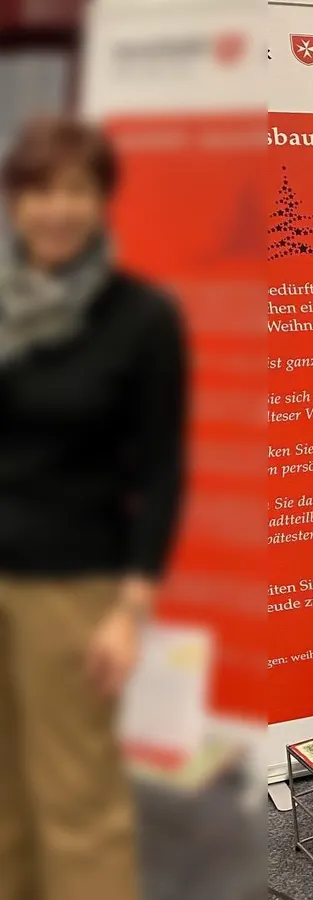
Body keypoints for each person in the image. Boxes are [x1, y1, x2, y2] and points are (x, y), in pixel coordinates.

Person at [0, 116, 187, 900]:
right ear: (15, 201)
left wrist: (129, 607)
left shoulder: (140, 318)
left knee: (78, 806)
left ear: (102, 201)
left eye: (75, 190)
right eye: (39, 190)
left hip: (73, 588)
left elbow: (163, 471)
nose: (55, 209)